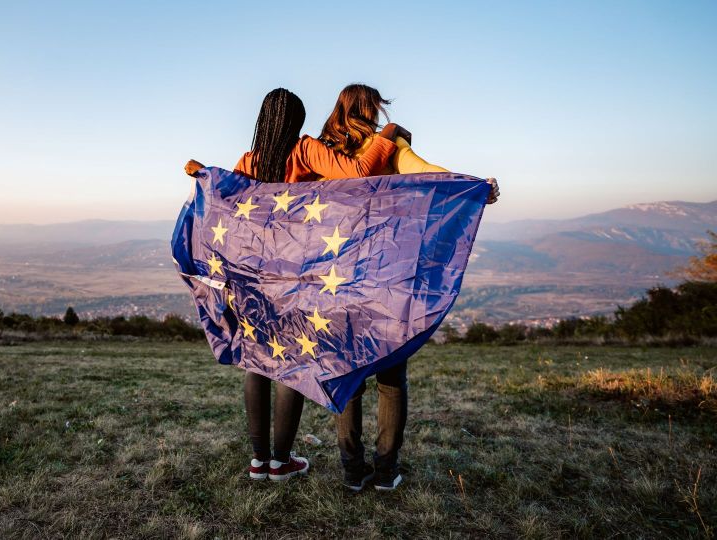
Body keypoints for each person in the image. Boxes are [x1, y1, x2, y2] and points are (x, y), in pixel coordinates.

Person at [184, 87, 404, 481]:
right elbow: (358, 173)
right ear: (295, 122)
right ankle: (281, 461)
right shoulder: (303, 151)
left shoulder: (248, 161)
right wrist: (387, 136)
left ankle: (258, 460)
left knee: (257, 361)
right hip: (293, 277)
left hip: (251, 277)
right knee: (289, 364)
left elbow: (229, 201)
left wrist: (203, 174)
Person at [317, 83, 499, 492]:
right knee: (390, 377)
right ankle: (385, 471)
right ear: (372, 109)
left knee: (346, 373)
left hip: (334, 282)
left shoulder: (322, 152)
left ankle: (351, 471)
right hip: (386, 278)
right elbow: (429, 171)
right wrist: (474, 187)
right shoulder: (390, 147)